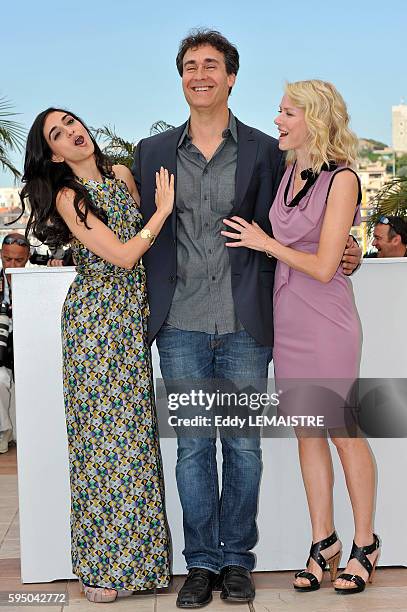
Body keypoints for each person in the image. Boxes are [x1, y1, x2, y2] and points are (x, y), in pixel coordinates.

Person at [132, 30, 362, 608]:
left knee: (242, 448)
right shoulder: (152, 152)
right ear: (180, 77)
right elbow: (135, 230)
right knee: (190, 449)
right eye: (190, 65)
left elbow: (293, 221)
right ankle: (201, 565)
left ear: (231, 77)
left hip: (244, 325)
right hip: (180, 323)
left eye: (212, 65)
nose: (200, 74)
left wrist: (349, 248)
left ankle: (238, 561)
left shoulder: (265, 150)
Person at [222, 79, 380, 595]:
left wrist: (265, 242)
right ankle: (323, 543)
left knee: (341, 430)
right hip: (287, 320)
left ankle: (364, 544)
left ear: (314, 117)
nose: (278, 120)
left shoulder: (344, 180)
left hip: (327, 320)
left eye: (287, 112)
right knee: (307, 432)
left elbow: (325, 263)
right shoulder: (289, 172)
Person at [20, 108, 174, 602]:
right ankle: (101, 569)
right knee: (99, 450)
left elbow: (146, 257)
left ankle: (141, 566)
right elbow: (125, 255)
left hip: (129, 324)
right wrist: (161, 212)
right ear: (53, 154)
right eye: (57, 135)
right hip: (95, 326)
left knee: (133, 445)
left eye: (72, 123)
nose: (73, 134)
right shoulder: (69, 197)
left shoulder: (122, 175)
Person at [0, 233, 30, 453]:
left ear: (28, 258)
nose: (11, 265)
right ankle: (3, 432)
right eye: (7, 259)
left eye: (18, 261)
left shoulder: (34, 283)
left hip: (27, 353)